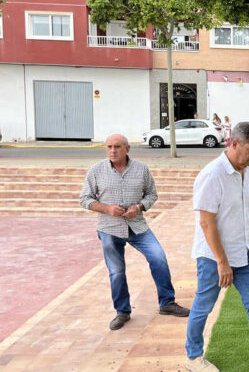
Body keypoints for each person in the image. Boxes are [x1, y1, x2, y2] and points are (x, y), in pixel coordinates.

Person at [185, 122, 249, 372]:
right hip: (213, 256)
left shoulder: (246, 171)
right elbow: (206, 223)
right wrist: (222, 262)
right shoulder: (212, 175)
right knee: (204, 306)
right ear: (235, 143)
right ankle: (194, 357)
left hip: (245, 253)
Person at [80, 134, 189, 331]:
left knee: (158, 257)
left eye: (117, 147)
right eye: (109, 147)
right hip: (109, 228)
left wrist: (138, 207)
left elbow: (152, 194)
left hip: (137, 225)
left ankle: (167, 303)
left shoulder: (141, 169)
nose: (112, 151)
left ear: (127, 149)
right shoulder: (96, 171)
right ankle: (122, 312)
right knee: (116, 271)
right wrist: (107, 209)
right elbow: (85, 199)